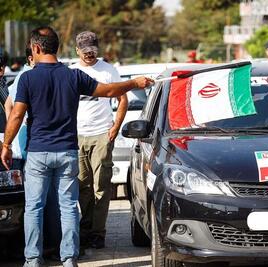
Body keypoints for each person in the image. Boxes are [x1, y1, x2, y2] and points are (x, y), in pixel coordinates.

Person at [0, 26, 153, 267]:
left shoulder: (28, 78)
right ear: (58, 48)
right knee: (69, 206)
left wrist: (6, 144)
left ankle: (32, 260)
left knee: (34, 208)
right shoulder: (72, 76)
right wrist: (134, 83)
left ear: (36, 48)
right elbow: (110, 90)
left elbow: (17, 115)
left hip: (38, 153)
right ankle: (69, 259)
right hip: (67, 151)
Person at [69, 31, 128, 250]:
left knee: (101, 186)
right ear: (77, 50)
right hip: (77, 136)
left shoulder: (108, 70)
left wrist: (115, 127)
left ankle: (98, 233)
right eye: (85, 51)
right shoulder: (72, 71)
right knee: (83, 185)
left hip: (102, 135)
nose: (89, 55)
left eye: (93, 50)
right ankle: (84, 230)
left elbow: (123, 99)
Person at [5, 42, 62, 259]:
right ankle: (57, 249)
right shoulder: (31, 76)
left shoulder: (25, 77)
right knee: (53, 202)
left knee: (35, 203)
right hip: (47, 146)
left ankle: (35, 254)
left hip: (32, 147)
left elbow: (11, 108)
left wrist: (11, 136)